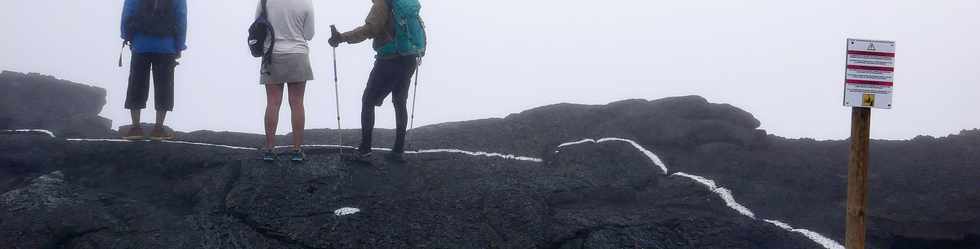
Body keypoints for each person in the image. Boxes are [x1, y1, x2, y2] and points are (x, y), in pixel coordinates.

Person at [329, 0, 426, 163]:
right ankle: (398, 150)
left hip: (389, 59)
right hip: (409, 58)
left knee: (368, 101)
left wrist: (342, 37)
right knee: (400, 101)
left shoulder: (382, 4)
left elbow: (370, 29)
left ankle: (365, 150)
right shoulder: (403, 4)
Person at [256, 0, 316, 162]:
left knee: (273, 103)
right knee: (297, 103)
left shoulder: (265, 1)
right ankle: (296, 151)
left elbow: (258, 24)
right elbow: (309, 34)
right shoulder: (306, 2)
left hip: (271, 55)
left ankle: (269, 150)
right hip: (298, 53)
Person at [121, 0, 187, 140]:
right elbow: (181, 17)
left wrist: (126, 35)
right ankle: (158, 129)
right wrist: (180, 45)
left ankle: (135, 128)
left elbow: (128, 11)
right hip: (166, 46)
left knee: (136, 84)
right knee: (164, 86)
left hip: (140, 44)